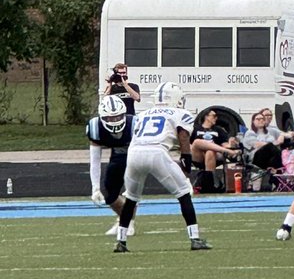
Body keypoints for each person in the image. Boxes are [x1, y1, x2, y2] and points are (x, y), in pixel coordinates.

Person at [113, 82, 211, 252]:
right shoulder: (179, 113)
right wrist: (186, 157)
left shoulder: (143, 114)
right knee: (183, 192)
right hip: (156, 152)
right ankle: (195, 238)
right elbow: (183, 135)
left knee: (131, 198)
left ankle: (121, 241)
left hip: (134, 152)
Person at [86, 94, 136, 237]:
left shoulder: (134, 124)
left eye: (117, 117)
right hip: (118, 156)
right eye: (109, 118)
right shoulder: (95, 128)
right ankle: (124, 219)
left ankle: (127, 223)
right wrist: (95, 187)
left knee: (131, 191)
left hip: (137, 156)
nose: (114, 120)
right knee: (109, 193)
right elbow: (95, 160)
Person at [190, 108, 241, 192]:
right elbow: (188, 143)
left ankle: (208, 185)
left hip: (214, 155)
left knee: (210, 151)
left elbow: (225, 144)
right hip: (198, 155)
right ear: (206, 116)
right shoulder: (195, 129)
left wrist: (231, 143)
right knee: (196, 142)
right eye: (214, 116)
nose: (216, 118)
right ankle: (228, 152)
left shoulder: (218, 130)